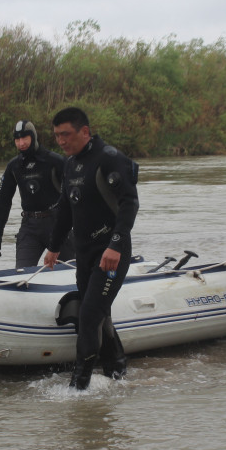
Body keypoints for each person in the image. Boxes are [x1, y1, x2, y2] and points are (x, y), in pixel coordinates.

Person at [43, 107, 139, 390]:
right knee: (100, 314)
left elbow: (129, 203)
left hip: (110, 253)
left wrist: (117, 245)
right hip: (84, 254)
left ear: (84, 131)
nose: (61, 141)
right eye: (57, 135)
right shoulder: (71, 163)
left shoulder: (109, 158)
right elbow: (65, 209)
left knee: (88, 315)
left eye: (66, 134)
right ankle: (117, 373)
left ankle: (78, 387)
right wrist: (54, 247)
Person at [0, 120, 75, 267]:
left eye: (25, 138)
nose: (21, 143)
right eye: (17, 139)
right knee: (22, 274)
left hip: (57, 224)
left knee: (71, 270)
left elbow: (78, 191)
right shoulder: (14, 166)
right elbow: (3, 201)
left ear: (33, 137)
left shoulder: (54, 161)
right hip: (29, 227)